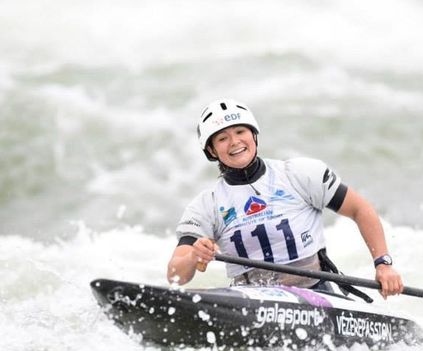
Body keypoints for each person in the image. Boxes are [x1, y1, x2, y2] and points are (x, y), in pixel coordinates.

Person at [167, 98, 403, 299]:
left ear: (254, 136)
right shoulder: (206, 205)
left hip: (316, 293)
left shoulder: (299, 174)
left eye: (240, 132)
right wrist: (193, 255)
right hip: (250, 299)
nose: (235, 142)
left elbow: (360, 209)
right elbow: (175, 275)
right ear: (211, 151)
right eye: (222, 138)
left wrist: (383, 264)